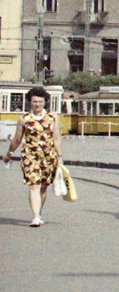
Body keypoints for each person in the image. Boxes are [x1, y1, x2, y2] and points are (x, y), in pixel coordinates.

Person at [4, 86, 62, 227]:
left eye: (40, 102)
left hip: (49, 157)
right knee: (34, 185)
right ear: (30, 102)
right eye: (35, 101)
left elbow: (56, 138)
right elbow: (17, 139)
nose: (37, 104)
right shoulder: (24, 119)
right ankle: (35, 217)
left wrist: (60, 157)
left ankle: (38, 212)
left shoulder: (53, 117)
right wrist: (9, 153)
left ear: (44, 102)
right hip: (30, 156)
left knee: (43, 187)